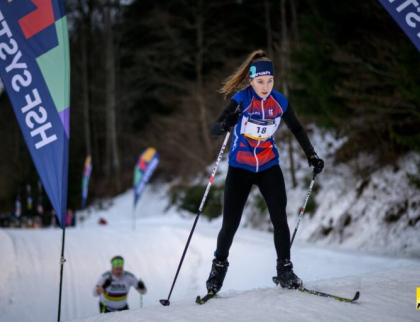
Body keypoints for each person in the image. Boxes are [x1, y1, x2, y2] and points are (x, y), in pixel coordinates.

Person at [206, 49, 324, 294]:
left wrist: (311, 155)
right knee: (230, 223)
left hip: (269, 166)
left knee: (279, 217)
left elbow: (298, 130)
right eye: (260, 81)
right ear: (251, 80)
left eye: (270, 81)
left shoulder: (279, 102)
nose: (265, 86)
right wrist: (227, 122)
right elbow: (214, 129)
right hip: (241, 167)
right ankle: (218, 268)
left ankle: (285, 270)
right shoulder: (241, 99)